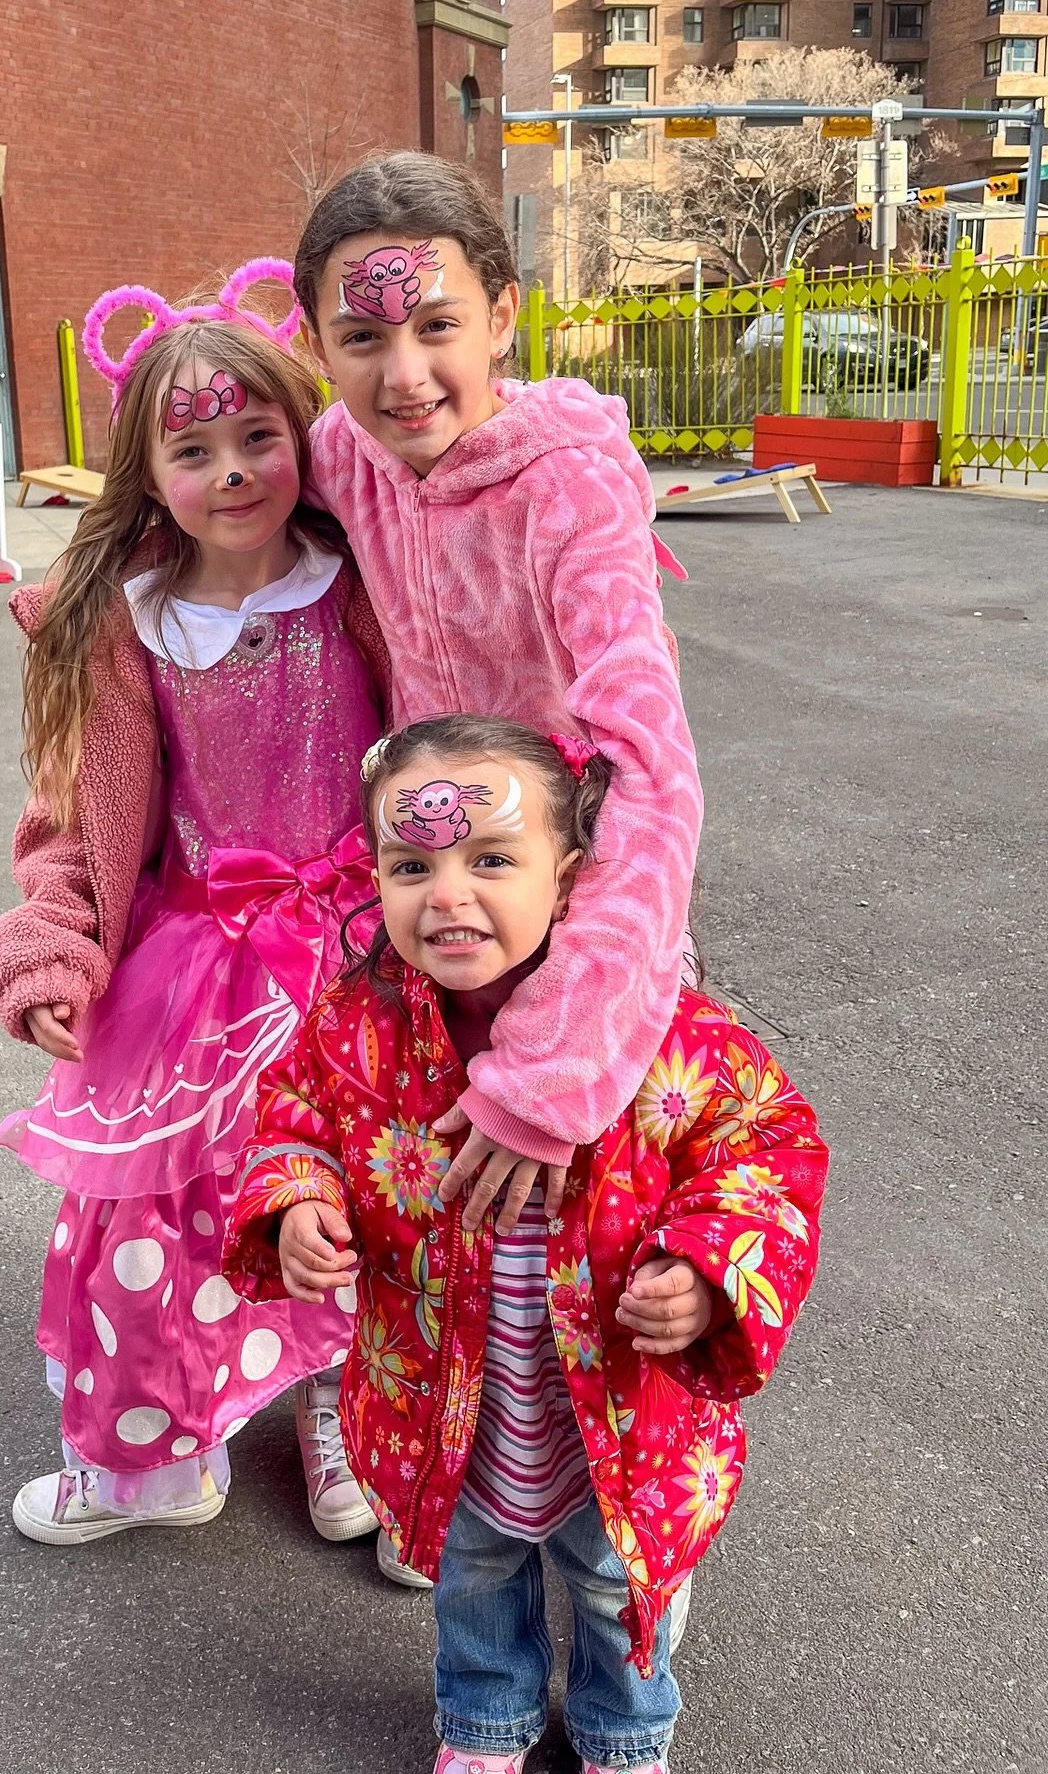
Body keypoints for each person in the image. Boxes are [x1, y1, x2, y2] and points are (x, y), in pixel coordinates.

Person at [225, 715, 827, 1774]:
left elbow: (766, 1147)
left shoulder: (664, 1035)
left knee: (611, 1574)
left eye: (492, 859)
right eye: (412, 864)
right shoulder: (355, 1030)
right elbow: (294, 1118)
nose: (446, 894)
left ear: (574, 878)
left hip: (618, 1405)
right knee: (474, 1567)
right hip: (444, 1392)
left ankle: (625, 1729)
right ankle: (485, 1721)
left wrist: (706, 1262)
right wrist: (299, 1202)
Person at [0, 261, 393, 1554]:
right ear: (145, 474)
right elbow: (73, 817)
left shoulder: (362, 582)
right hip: (192, 961)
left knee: (349, 1202)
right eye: (193, 448)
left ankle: (347, 1421)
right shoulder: (128, 625)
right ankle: (167, 1441)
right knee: (152, 1220)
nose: (231, 471)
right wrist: (54, 950)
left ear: (306, 439)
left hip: (358, 951)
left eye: (258, 436)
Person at [294, 152, 703, 1243]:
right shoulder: (343, 451)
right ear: (319, 345)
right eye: (363, 339)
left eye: (437, 326)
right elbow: (203, 492)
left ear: (503, 315)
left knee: (584, 1247)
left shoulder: (567, 490)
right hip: (432, 896)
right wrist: (98, 604)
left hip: (574, 906)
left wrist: (556, 1066)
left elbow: (651, 770)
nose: (404, 375)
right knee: (417, 1229)